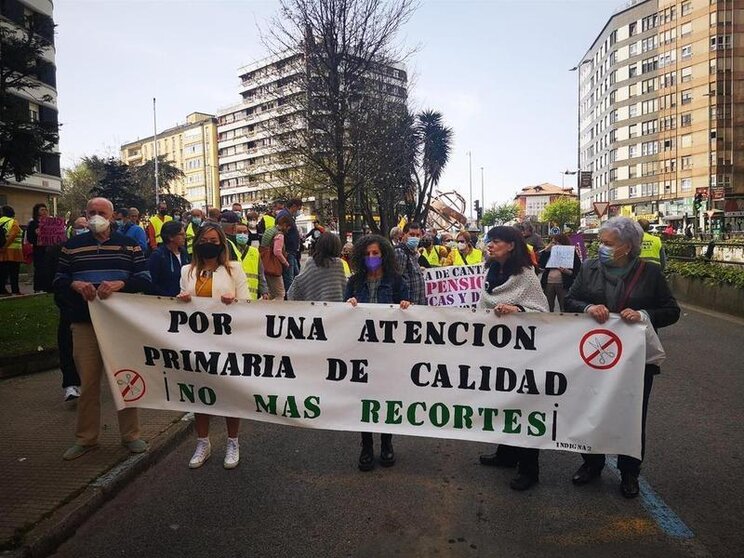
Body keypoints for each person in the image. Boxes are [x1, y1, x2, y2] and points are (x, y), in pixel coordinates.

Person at [565, 216, 680, 498]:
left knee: (632, 415)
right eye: (600, 242)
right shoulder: (590, 268)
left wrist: (644, 315)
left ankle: (630, 472)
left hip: (634, 360)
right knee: (592, 410)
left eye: (608, 243)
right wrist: (589, 306)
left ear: (627, 246)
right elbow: (570, 300)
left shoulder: (650, 273)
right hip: (594, 357)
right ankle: (592, 463)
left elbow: (671, 310)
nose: (601, 248)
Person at [54, 197, 152, 460]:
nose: (96, 216)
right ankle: (86, 439)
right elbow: (59, 281)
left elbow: (144, 278)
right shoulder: (71, 246)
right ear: (85, 215)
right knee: (88, 384)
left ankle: (131, 435)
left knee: (126, 380)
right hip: (85, 323)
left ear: (112, 216)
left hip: (120, 325)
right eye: (92, 212)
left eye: (101, 212)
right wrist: (75, 286)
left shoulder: (129, 245)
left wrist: (121, 284)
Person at [476, 226, 549, 491]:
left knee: (524, 406)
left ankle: (529, 468)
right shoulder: (490, 272)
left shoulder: (526, 276)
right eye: (489, 241)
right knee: (503, 403)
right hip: (495, 351)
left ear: (511, 245)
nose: (490, 245)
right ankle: (506, 454)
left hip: (521, 353)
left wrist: (516, 309)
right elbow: (483, 306)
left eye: (495, 241)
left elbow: (541, 310)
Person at [176, 224, 250, 469]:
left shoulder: (234, 270)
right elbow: (180, 304)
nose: (209, 242)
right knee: (200, 392)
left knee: (229, 391)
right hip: (196, 341)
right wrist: (182, 300)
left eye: (214, 239)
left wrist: (234, 302)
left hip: (226, 340)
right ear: (197, 242)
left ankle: (232, 441)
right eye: (205, 239)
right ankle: (203, 442)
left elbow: (247, 303)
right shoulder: (187, 270)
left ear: (221, 243)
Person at [345, 234, 411, 471]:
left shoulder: (396, 282)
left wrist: (405, 307)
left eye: (375, 253)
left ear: (383, 254)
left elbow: (411, 315)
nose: (371, 258)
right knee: (365, 399)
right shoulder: (354, 283)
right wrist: (349, 305)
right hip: (362, 352)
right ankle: (366, 446)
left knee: (387, 398)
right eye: (366, 254)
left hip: (389, 353)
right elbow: (342, 317)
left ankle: (386, 443)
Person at [43, 217, 87, 401]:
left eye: (85, 227)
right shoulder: (57, 251)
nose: (83, 230)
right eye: (80, 227)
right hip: (70, 306)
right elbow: (50, 280)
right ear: (71, 229)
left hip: (96, 307)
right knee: (67, 345)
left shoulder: (94, 250)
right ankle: (70, 384)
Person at [288, 232, 347, 302]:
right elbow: (344, 288)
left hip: (314, 308)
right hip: (335, 309)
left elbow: (297, 285)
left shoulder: (311, 262)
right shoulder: (338, 263)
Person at [538, 234, 581, 312]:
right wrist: (545, 252)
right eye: (552, 242)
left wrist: (568, 272)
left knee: (564, 306)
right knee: (547, 306)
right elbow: (541, 264)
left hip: (564, 283)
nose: (553, 245)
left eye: (556, 243)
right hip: (549, 282)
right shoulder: (549, 252)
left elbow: (578, 269)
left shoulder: (571, 253)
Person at [149, 221, 189, 297]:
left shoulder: (184, 253)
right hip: (165, 302)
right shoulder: (158, 255)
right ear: (171, 237)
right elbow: (152, 282)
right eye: (181, 234)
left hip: (184, 300)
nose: (185, 237)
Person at [259, 214, 293, 300]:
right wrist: (286, 263)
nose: (288, 230)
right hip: (274, 266)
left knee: (271, 293)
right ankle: (277, 311)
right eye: (288, 227)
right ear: (285, 225)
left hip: (264, 263)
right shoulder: (279, 235)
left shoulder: (270, 230)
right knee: (280, 293)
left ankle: (260, 307)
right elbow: (277, 252)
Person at [394, 222, 426, 305]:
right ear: (403, 235)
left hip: (416, 304)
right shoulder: (400, 252)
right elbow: (397, 279)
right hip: (407, 304)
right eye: (411, 234)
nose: (415, 238)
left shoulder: (413, 253)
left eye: (417, 235)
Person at [235, 224, 269, 300]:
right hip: (234, 296)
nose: (242, 234)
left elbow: (260, 273)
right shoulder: (230, 250)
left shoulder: (254, 251)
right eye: (239, 232)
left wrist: (264, 291)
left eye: (245, 232)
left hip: (251, 297)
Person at [276, 198, 302, 291]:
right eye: (298, 208)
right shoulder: (284, 215)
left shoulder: (288, 215)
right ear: (294, 206)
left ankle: (295, 295)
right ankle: (290, 297)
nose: (298, 211)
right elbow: (282, 231)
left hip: (292, 252)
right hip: (288, 251)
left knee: (296, 276)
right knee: (289, 278)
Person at [0, 205, 24, 295]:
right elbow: (13, 236)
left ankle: (2, 290)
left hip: (2, 253)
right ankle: (15, 290)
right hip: (13, 251)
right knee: (14, 273)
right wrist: (5, 247)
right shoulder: (13, 222)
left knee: (2, 273)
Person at [27, 203, 50, 293]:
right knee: (39, 268)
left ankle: (47, 287)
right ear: (37, 212)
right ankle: (38, 288)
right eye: (42, 210)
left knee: (48, 267)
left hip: (48, 249)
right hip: (39, 249)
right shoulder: (33, 224)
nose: (44, 212)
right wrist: (36, 234)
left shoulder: (50, 222)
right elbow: (29, 238)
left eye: (45, 210)